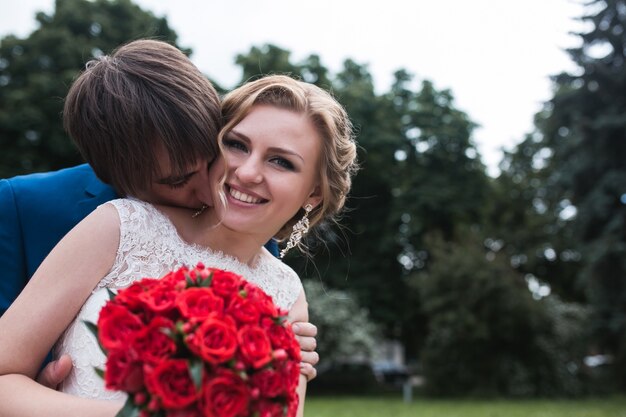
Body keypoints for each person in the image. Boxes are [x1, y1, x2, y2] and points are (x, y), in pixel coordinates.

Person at [0, 72, 357, 416]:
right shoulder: (120, 226)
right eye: (237, 145)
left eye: (281, 161)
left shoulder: (286, 292)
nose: (247, 172)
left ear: (313, 192)